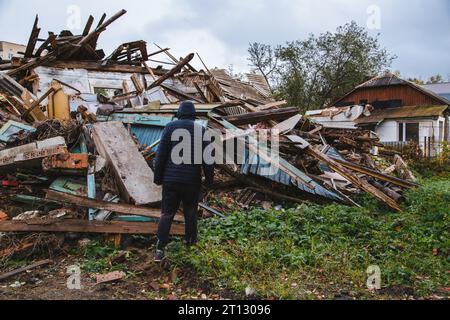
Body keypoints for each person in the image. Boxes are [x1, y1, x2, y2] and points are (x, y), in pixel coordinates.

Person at [153, 101, 214, 262]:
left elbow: (160, 157)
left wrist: (158, 178)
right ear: (193, 115)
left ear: (179, 113)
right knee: (190, 213)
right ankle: (190, 244)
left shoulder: (170, 128)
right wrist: (209, 181)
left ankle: (160, 250)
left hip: (171, 180)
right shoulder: (201, 130)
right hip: (191, 181)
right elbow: (208, 160)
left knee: (167, 213)